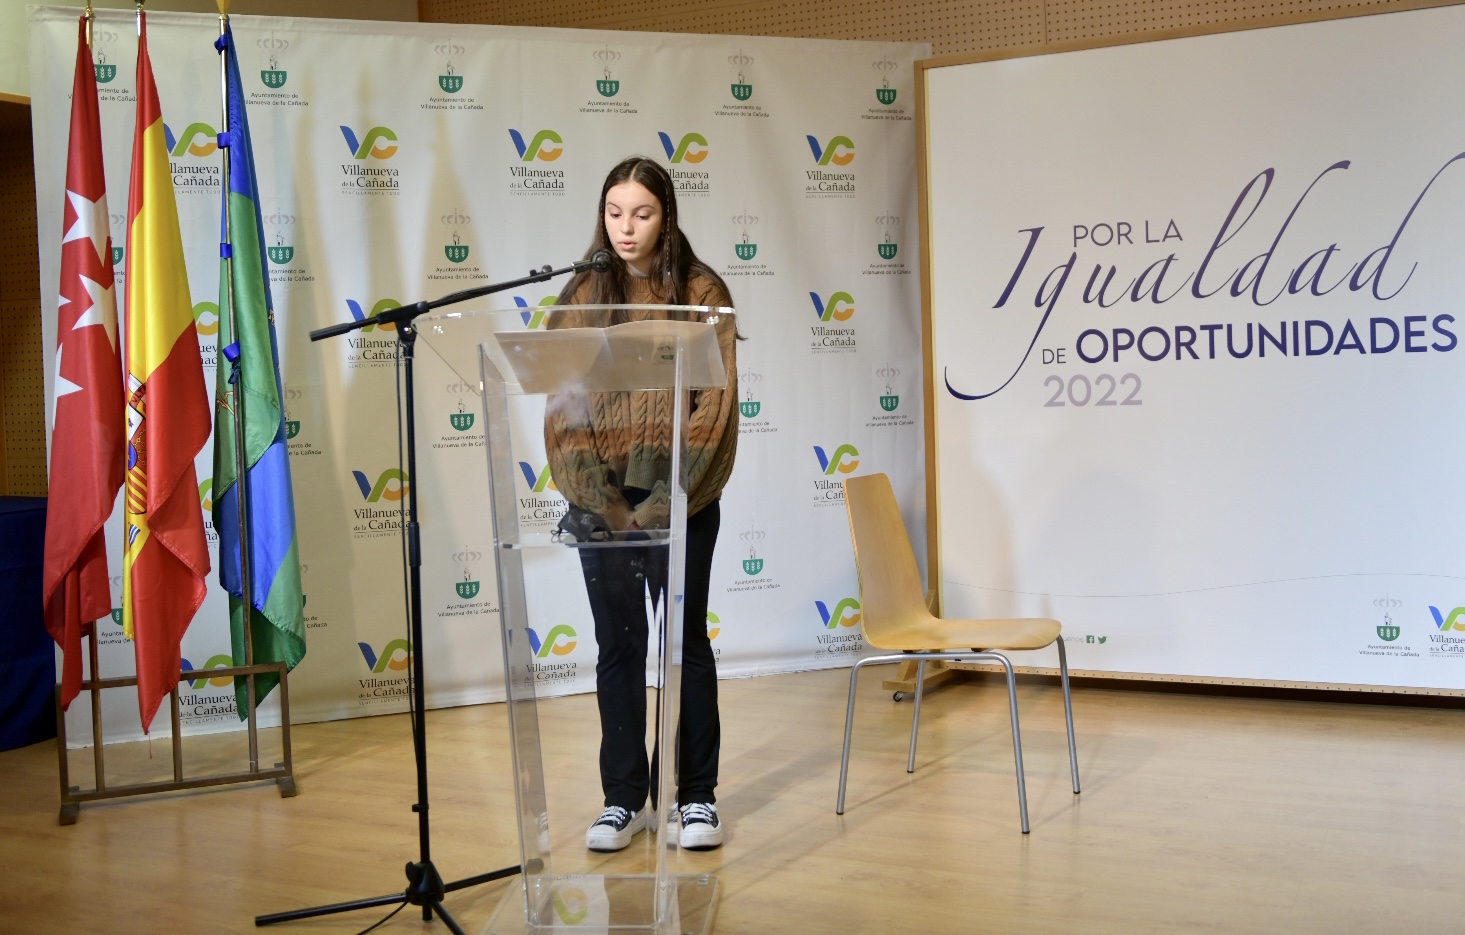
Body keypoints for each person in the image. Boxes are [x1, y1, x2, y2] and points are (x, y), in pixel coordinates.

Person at [544, 156, 738, 852]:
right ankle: (624, 799)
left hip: (681, 504)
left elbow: (713, 411)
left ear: (667, 215)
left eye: (642, 213)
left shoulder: (700, 291)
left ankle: (694, 797)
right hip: (603, 508)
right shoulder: (581, 292)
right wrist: (603, 500)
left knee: (682, 645)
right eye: (614, 212)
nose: (626, 228)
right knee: (616, 648)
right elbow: (560, 407)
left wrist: (660, 501)